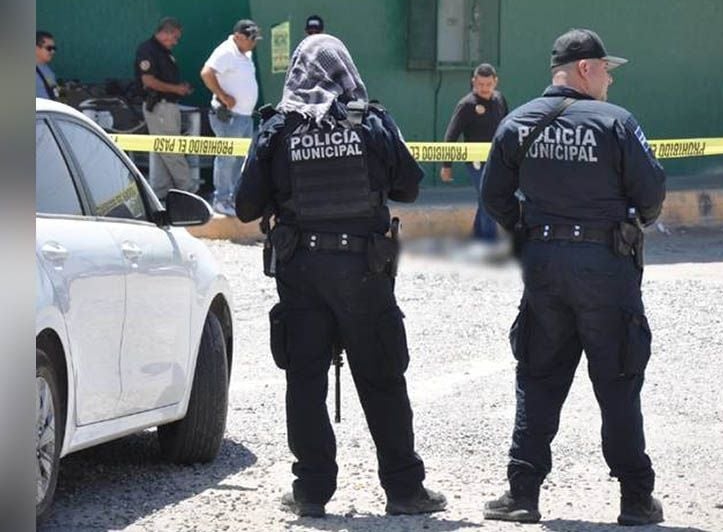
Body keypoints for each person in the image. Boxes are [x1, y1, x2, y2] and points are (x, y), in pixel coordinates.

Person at [235, 34, 447, 518]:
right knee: (382, 377)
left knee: (305, 378)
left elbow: (246, 205)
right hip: (364, 271)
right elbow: (410, 187)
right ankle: (403, 491)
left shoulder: (277, 127)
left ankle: (311, 492)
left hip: (301, 271)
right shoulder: (370, 121)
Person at [479, 28, 667, 526]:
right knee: (619, 380)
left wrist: (531, 233)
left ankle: (522, 494)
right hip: (606, 267)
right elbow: (651, 197)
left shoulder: (517, 123)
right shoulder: (617, 123)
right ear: (585, 68)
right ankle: (634, 499)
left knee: (538, 377)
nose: (609, 79)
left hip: (544, 265)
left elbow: (493, 196)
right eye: (606, 69)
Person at [440, 63, 508, 241]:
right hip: (476, 162)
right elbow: (451, 134)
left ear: (495, 82)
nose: (484, 89)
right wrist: (446, 166)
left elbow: (507, 127)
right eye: (480, 85)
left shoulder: (500, 100)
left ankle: (477, 238)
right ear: (473, 82)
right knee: (488, 200)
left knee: (485, 200)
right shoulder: (467, 105)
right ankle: (488, 244)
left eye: (488, 84)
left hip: (496, 160)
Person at [200, 19, 262, 216]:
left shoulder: (246, 53)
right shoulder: (226, 51)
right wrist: (223, 96)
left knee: (239, 159)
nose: (254, 42)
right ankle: (221, 199)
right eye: (250, 38)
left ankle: (232, 198)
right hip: (229, 116)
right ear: (238, 37)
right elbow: (206, 73)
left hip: (244, 116)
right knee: (226, 157)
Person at [135, 17, 197, 200]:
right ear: (166, 32)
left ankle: (160, 192)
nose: (176, 42)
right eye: (175, 37)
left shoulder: (163, 51)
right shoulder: (148, 49)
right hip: (159, 106)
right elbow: (148, 81)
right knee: (171, 148)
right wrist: (176, 89)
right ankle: (188, 189)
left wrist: (178, 89)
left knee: (162, 149)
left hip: (167, 106)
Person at [36, 31, 58, 100]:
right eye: (49, 48)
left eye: (54, 48)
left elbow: (53, 89)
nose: (53, 52)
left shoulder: (47, 70)